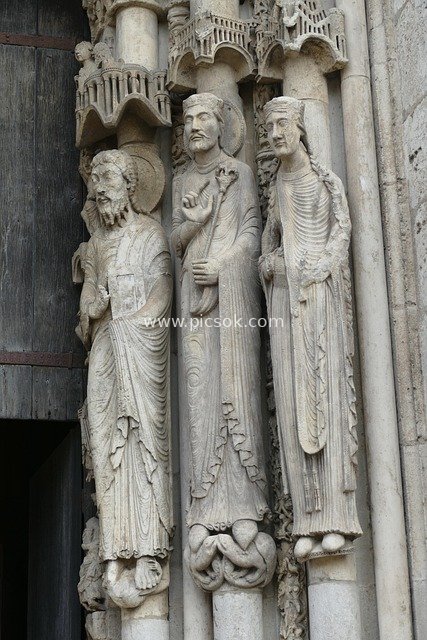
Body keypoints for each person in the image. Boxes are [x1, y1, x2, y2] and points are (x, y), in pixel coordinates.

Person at [260, 96, 362, 561]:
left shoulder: (325, 180)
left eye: (282, 125)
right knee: (291, 398)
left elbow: (342, 231)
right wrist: (272, 264)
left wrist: (317, 267)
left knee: (327, 398)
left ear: (300, 127)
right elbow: (268, 244)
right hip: (285, 301)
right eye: (269, 128)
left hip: (318, 299)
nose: (275, 134)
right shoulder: (277, 187)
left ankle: (337, 516)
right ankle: (307, 515)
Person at [171, 93, 270, 564]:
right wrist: (195, 225)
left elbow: (252, 233)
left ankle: (244, 505)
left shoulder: (241, 176)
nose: (194, 125)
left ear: (220, 125)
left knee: (238, 391)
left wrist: (225, 265)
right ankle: (203, 506)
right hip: (194, 308)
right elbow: (174, 240)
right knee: (198, 398)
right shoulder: (183, 180)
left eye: (203, 117)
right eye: (188, 119)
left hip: (231, 308)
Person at [78, 149, 173, 605]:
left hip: (138, 350)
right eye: (96, 183)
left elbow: (162, 293)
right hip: (106, 356)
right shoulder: (96, 245)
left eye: (108, 180)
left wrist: (131, 321)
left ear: (130, 186)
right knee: (105, 447)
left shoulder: (151, 234)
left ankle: (149, 546)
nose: (99, 189)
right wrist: (95, 308)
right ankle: (115, 549)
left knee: (141, 445)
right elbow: (88, 308)